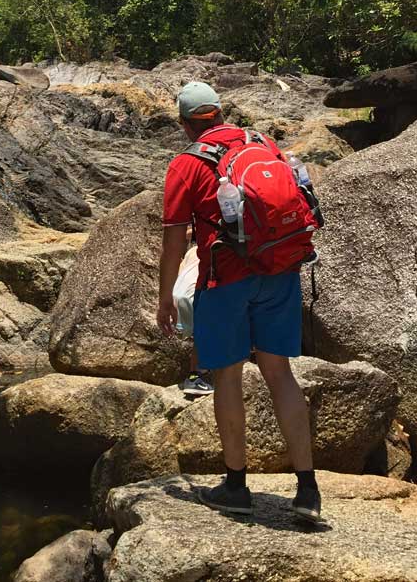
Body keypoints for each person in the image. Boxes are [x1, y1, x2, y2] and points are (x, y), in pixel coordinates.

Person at [157, 80, 321, 521]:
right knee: (280, 374)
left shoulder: (187, 164)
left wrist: (165, 299)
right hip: (279, 271)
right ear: (220, 112)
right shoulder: (261, 140)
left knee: (226, 378)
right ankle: (307, 491)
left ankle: (236, 487)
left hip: (225, 280)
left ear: (184, 123)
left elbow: (174, 243)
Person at [173, 247, 214, 396]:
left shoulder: (192, 251)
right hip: (196, 296)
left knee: (200, 333)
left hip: (178, 297)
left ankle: (194, 376)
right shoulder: (220, 247)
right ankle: (200, 374)